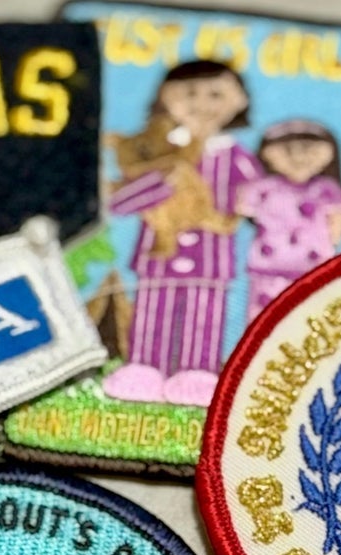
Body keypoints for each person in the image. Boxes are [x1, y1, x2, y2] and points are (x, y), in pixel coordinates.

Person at [103, 59, 264, 408]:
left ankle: (198, 372)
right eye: (190, 93)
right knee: (152, 311)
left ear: (239, 100)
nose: (202, 104)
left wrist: (246, 205)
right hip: (157, 255)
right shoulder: (155, 150)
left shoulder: (236, 156)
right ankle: (144, 367)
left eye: (216, 94)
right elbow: (122, 202)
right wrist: (162, 181)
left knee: (203, 316)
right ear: (166, 98)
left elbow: (259, 198)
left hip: (211, 259)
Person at [237, 120, 341, 322]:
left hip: (313, 265)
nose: (298, 157)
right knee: (263, 316)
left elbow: (338, 217)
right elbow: (241, 209)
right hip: (268, 265)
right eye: (287, 150)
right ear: (268, 154)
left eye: (309, 150)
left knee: (309, 314)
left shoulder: (325, 188)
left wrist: (334, 237)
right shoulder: (264, 187)